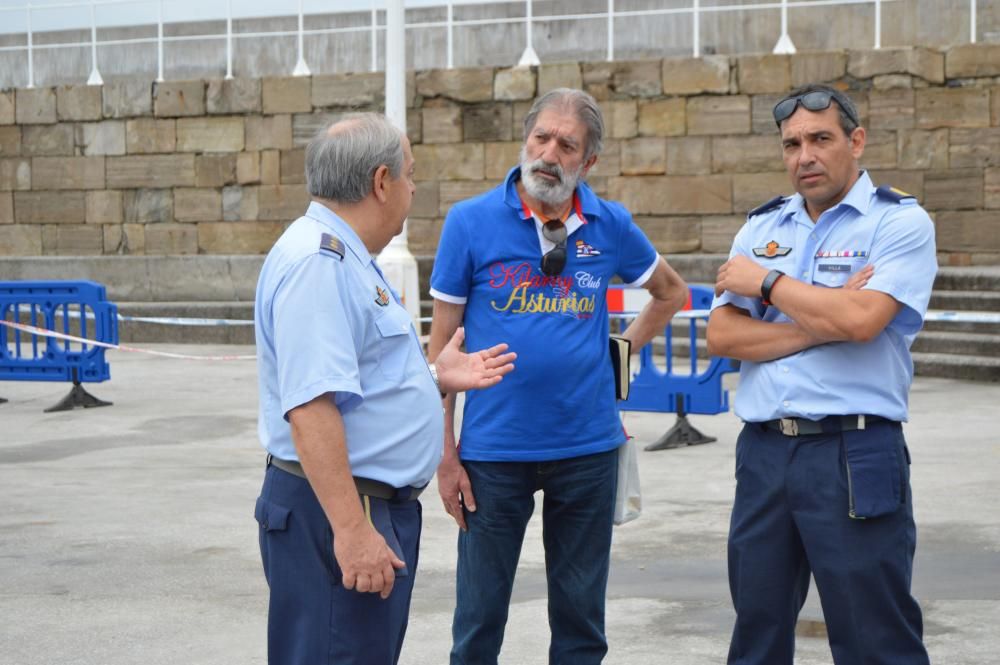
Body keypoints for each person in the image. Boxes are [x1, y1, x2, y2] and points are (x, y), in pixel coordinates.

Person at [427, 88, 689, 665]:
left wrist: (621, 352)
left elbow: (672, 293)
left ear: (587, 162)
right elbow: (440, 354)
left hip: (589, 453)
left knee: (580, 627)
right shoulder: (470, 223)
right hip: (493, 456)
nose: (549, 153)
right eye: (541, 138)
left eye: (567, 145)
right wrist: (445, 453)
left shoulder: (610, 224)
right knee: (477, 623)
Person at [253, 113, 516, 665]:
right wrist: (351, 532)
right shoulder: (318, 264)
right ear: (380, 182)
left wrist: (434, 377)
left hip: (363, 505)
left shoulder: (347, 258)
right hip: (345, 510)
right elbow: (311, 408)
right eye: (410, 174)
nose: (414, 188)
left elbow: (358, 380)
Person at [708, 83, 935, 665]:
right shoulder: (762, 228)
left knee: (873, 637)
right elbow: (725, 337)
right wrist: (818, 320)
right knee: (756, 631)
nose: (804, 156)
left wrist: (767, 285)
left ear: (855, 141)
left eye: (820, 139)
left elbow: (863, 320)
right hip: (764, 454)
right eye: (791, 144)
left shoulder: (898, 223)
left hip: (854, 451)